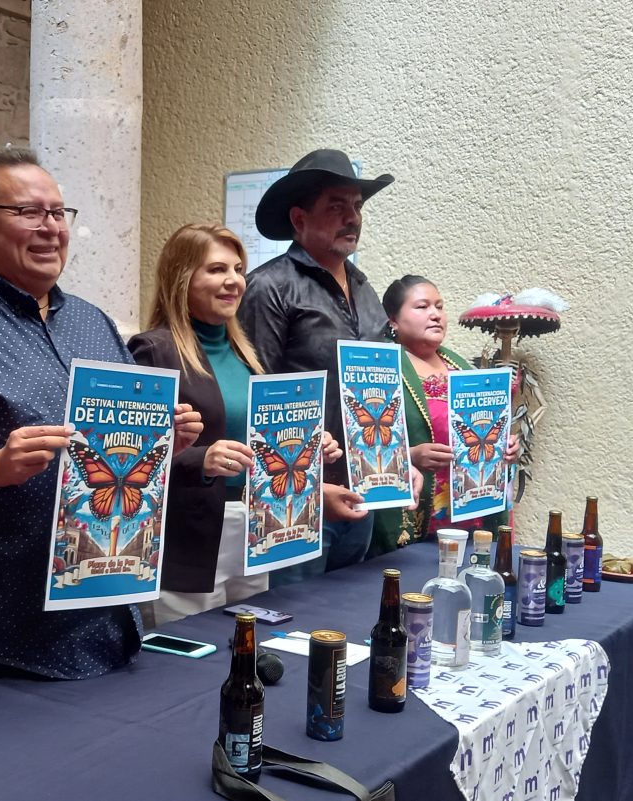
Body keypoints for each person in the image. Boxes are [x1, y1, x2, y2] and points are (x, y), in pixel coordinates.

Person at [0, 147, 202, 695]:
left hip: (109, 611)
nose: (51, 228)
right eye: (29, 212)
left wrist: (161, 443)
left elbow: (120, 457)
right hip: (0, 635)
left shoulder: (93, 322)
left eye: (58, 213)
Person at [128, 224, 341, 626]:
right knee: (191, 653)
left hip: (255, 528)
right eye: (216, 269)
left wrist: (310, 448)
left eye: (238, 269)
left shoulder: (249, 355)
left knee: (249, 644)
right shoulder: (153, 350)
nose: (234, 281)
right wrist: (200, 459)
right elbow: (128, 459)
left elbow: (260, 439)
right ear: (181, 278)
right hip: (187, 538)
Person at [238, 148, 399, 575]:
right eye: (336, 206)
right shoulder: (268, 287)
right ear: (299, 219)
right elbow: (257, 397)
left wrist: (403, 461)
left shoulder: (365, 290)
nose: (353, 217)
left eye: (357, 206)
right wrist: (313, 487)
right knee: (294, 615)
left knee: (350, 611)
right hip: (295, 502)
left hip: (364, 492)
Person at [371, 275, 518, 556]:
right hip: (417, 515)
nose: (436, 314)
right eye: (422, 307)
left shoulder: (461, 368)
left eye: (439, 306)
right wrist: (409, 455)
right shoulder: (380, 371)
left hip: (471, 512)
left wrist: (505, 446)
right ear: (393, 320)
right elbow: (360, 445)